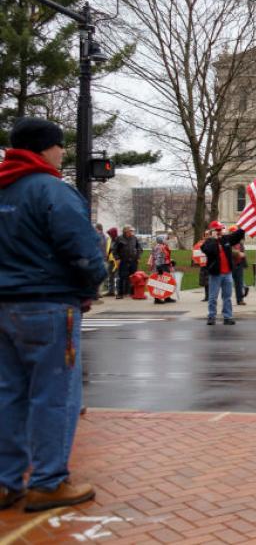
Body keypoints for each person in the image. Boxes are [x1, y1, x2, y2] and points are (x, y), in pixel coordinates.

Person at [0, 117, 107, 511]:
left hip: (4, 305)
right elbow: (83, 250)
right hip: (48, 303)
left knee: (7, 394)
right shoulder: (51, 191)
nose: (62, 153)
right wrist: (90, 286)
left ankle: (5, 480)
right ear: (47, 148)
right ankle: (48, 481)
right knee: (54, 395)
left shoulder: (4, 186)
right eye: (60, 146)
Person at [200, 221, 246, 325]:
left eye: (220, 229)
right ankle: (211, 316)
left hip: (227, 273)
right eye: (217, 230)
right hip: (216, 273)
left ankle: (228, 317)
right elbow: (207, 250)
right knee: (213, 297)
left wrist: (243, 228)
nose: (220, 231)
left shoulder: (226, 239)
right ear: (212, 231)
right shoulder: (208, 242)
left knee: (227, 296)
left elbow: (236, 236)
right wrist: (212, 239)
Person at [111, 226, 141, 299]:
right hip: (123, 260)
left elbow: (139, 248)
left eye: (132, 231)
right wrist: (117, 258)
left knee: (133, 277)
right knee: (121, 277)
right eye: (130, 231)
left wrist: (138, 257)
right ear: (126, 231)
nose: (131, 232)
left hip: (133, 260)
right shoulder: (119, 238)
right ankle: (120, 293)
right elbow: (114, 250)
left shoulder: (134, 238)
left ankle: (132, 293)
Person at [148, 236, 176, 304]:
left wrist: (170, 261)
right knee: (159, 282)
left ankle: (167, 297)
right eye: (165, 239)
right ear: (161, 240)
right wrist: (159, 267)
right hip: (161, 266)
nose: (166, 240)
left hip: (165, 265)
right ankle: (157, 299)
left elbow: (165, 257)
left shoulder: (164, 246)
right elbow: (158, 257)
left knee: (166, 282)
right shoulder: (159, 247)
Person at [192, 232, 210, 302]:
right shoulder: (200, 243)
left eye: (208, 235)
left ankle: (209, 296)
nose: (206, 236)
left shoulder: (212, 243)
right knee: (205, 282)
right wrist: (197, 260)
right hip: (203, 265)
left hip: (210, 265)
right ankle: (207, 296)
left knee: (209, 281)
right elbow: (196, 252)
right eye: (205, 235)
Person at [230, 234, 248, 306]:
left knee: (239, 283)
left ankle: (240, 300)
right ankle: (225, 299)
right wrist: (238, 253)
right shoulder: (229, 243)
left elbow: (243, 254)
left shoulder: (240, 244)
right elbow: (229, 252)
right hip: (231, 266)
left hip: (239, 265)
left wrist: (245, 263)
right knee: (227, 283)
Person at [104, 228, 119, 296]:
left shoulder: (118, 240)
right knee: (110, 276)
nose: (109, 235)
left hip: (116, 260)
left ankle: (119, 291)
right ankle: (111, 291)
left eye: (110, 234)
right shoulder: (109, 239)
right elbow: (109, 249)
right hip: (110, 260)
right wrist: (107, 256)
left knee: (118, 276)